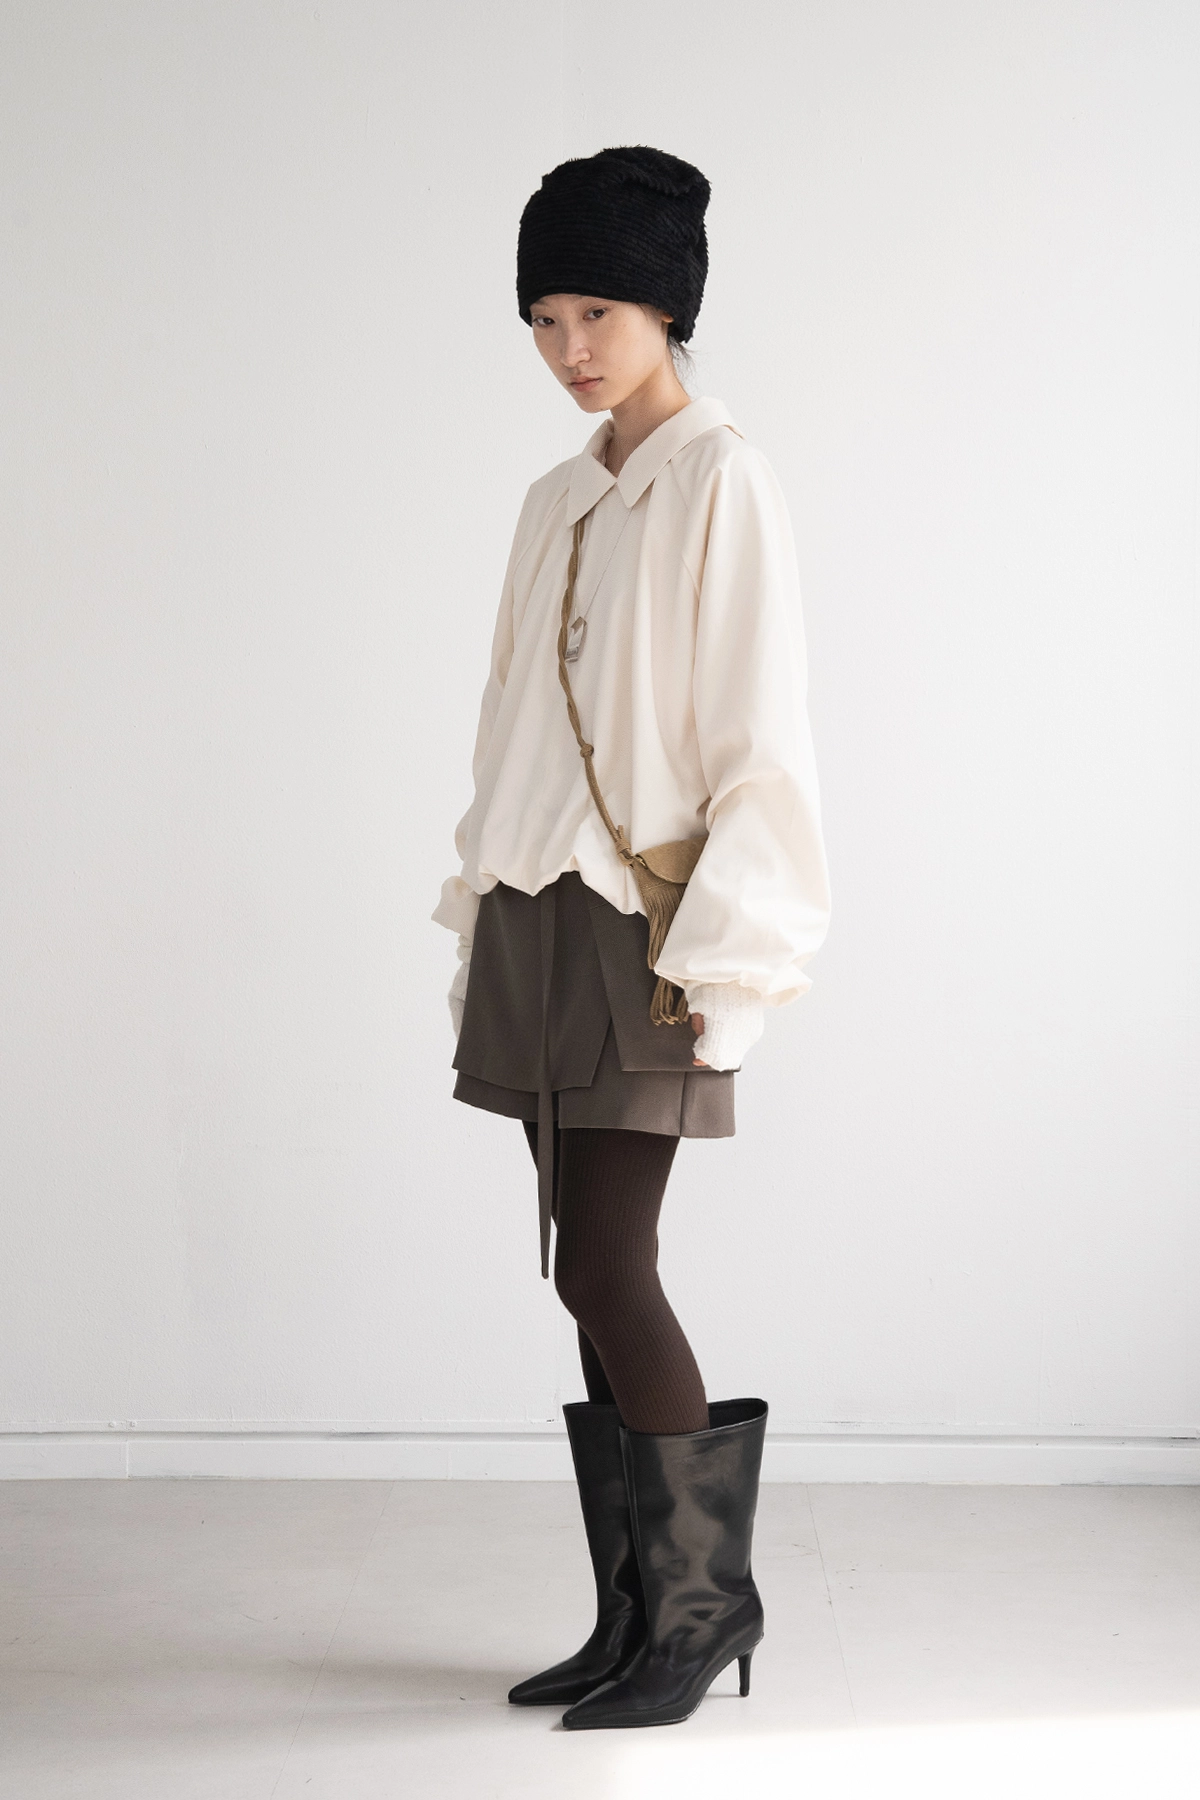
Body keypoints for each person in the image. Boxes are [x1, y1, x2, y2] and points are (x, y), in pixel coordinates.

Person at [432, 144, 831, 1730]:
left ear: (667, 306)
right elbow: (510, 725)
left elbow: (760, 738)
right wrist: (477, 903)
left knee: (610, 1261)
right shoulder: (558, 496)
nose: (570, 347)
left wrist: (733, 956)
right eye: (544, 318)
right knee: (582, 1274)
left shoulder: (723, 478)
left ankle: (708, 1610)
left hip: (649, 929)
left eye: (596, 309)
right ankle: (637, 1615)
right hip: (536, 915)